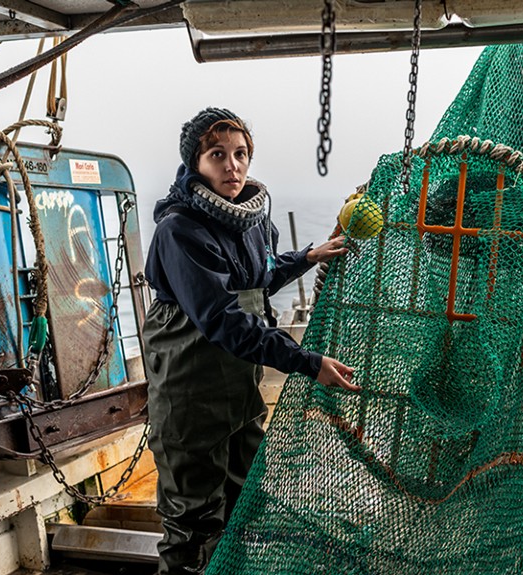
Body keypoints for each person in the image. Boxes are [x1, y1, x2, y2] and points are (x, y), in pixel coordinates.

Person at [143, 107, 359, 574]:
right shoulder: (179, 230)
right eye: (216, 154)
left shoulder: (252, 218)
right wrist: (308, 361)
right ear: (195, 163)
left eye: (240, 154)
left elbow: (255, 280)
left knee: (242, 507)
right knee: (192, 525)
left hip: (239, 398)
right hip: (189, 400)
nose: (232, 165)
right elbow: (224, 318)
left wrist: (306, 256)